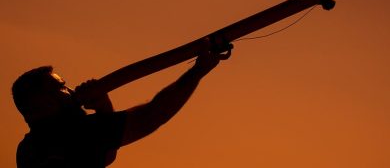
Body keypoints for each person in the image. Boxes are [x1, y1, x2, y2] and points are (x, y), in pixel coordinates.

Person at [12, 48, 231, 168]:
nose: (69, 91)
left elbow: (103, 156)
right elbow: (153, 115)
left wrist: (104, 108)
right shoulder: (77, 132)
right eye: (61, 87)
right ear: (42, 103)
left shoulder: (27, 148)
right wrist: (198, 71)